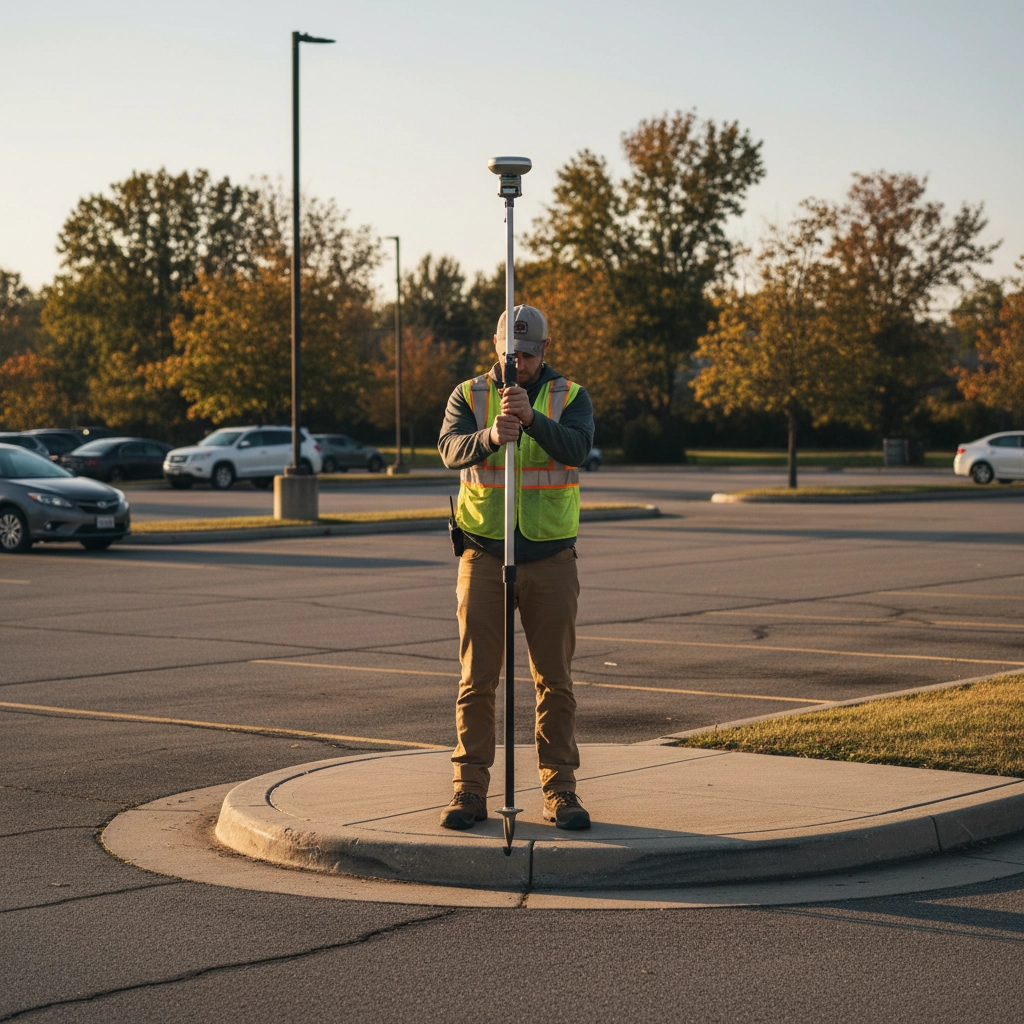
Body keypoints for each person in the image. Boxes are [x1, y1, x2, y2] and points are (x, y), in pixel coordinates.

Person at [437, 304, 595, 831]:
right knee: (476, 679)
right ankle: (469, 790)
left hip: (550, 557)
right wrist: (489, 437)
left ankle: (560, 790)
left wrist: (532, 420)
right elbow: (449, 449)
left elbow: (577, 448)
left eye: (528, 354)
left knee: (555, 682)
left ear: (544, 349)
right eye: (511, 353)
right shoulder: (469, 395)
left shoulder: (570, 396)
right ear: (496, 346)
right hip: (483, 554)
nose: (519, 362)